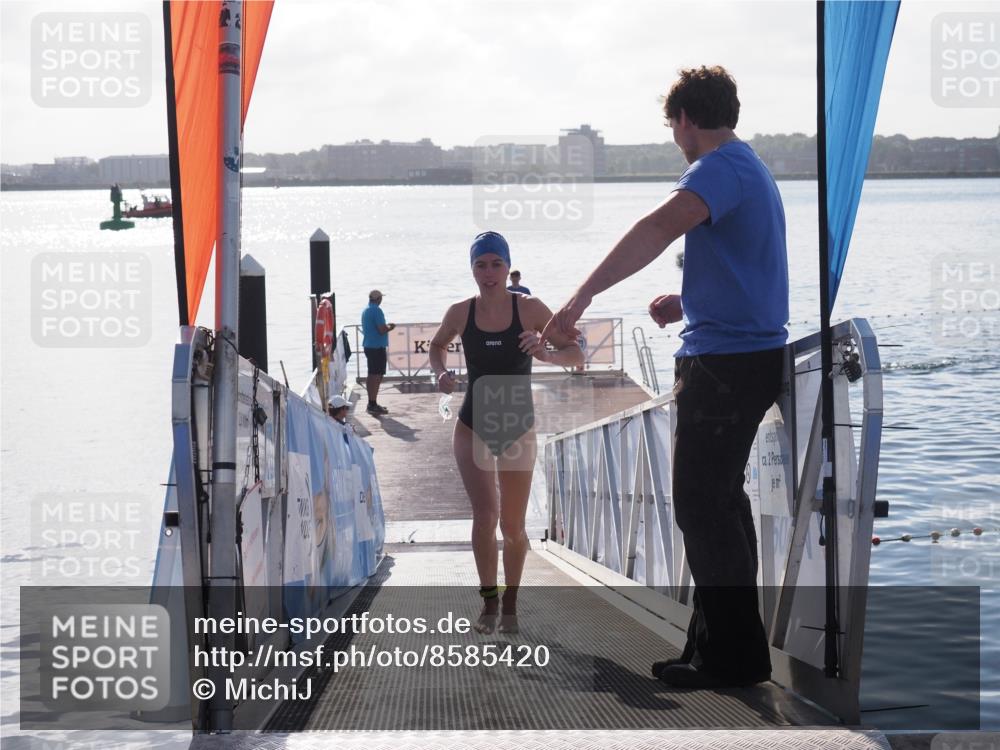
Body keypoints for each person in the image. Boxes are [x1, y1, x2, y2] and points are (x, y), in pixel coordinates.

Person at [541, 66, 788, 689]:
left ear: (684, 119)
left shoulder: (717, 168)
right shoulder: (748, 168)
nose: (675, 134)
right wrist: (689, 300)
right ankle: (717, 649)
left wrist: (577, 301)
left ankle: (733, 657)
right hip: (742, 355)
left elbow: (654, 229)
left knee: (703, 507)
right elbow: (747, 264)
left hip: (725, 366)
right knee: (720, 507)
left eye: (673, 123)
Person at [430, 231, 583, 634]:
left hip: (516, 426)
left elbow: (578, 354)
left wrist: (545, 353)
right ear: (472, 269)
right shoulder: (461, 312)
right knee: (485, 515)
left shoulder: (530, 308)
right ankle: (489, 602)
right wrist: (441, 372)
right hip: (472, 425)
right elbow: (437, 345)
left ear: (507, 265)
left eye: (497, 263)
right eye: (481, 264)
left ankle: (512, 600)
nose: (489, 272)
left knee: (512, 527)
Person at [361, 290, 395, 415]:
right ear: (378, 299)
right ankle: (372, 403)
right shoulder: (376, 311)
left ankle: (371, 402)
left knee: (371, 375)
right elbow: (381, 329)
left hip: (369, 345)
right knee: (376, 376)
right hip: (376, 347)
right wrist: (390, 327)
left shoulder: (366, 310)